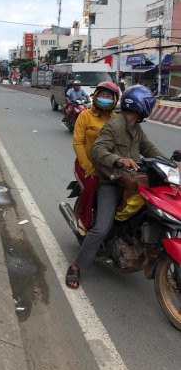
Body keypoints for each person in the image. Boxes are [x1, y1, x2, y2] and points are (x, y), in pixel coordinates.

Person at [65, 84, 163, 289]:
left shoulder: (135, 127)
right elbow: (98, 150)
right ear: (141, 105)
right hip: (110, 180)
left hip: (131, 179)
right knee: (101, 229)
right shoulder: (115, 125)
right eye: (149, 105)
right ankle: (77, 266)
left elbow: (149, 148)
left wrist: (170, 164)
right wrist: (118, 160)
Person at [72, 81, 120, 235]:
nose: (105, 98)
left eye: (108, 96)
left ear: (115, 99)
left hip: (109, 165)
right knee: (93, 182)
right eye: (102, 95)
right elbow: (77, 142)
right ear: (96, 96)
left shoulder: (117, 119)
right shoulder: (85, 116)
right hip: (87, 163)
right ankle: (84, 220)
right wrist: (87, 166)